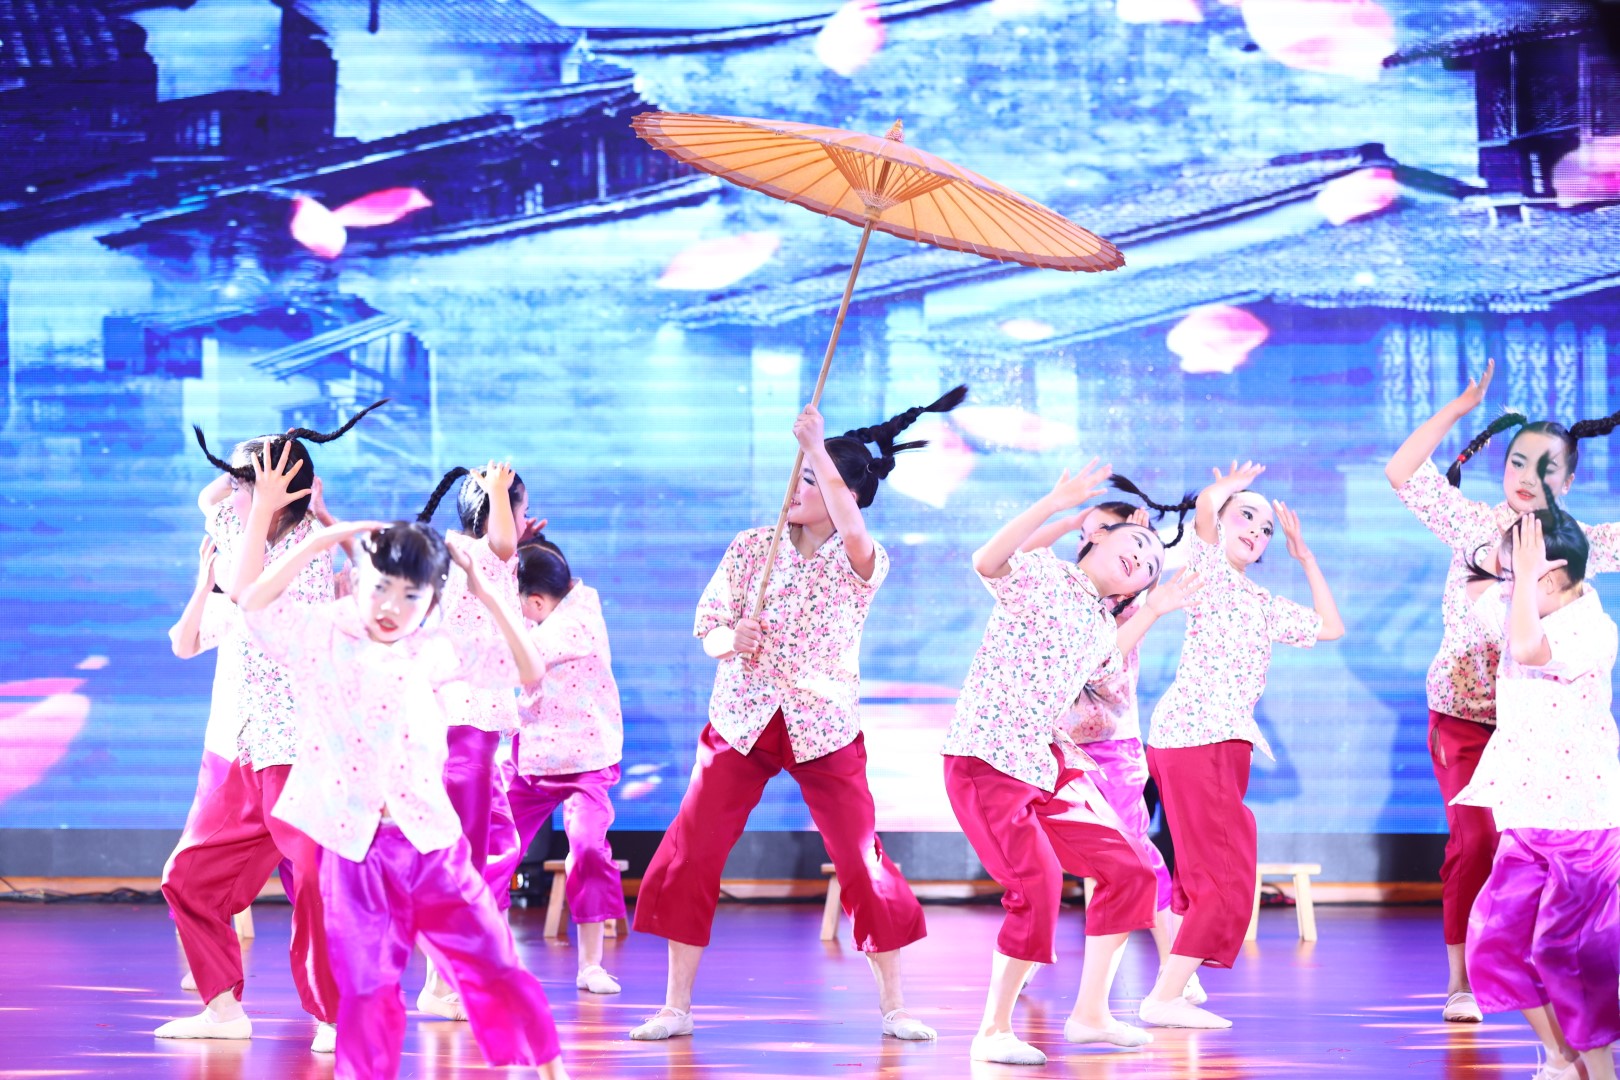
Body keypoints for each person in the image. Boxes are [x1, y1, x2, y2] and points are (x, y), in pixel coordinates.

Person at [630, 388, 967, 1044]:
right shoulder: (751, 547)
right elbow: (708, 629)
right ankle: (675, 1007)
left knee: (860, 858)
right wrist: (732, 640)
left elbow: (853, 530)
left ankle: (895, 1006)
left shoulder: (862, 557)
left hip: (825, 726)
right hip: (742, 720)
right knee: (693, 849)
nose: (796, 486)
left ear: (847, 494)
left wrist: (817, 446)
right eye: (798, 473)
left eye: (812, 479)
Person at [240, 519, 568, 1080]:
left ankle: (550, 1070)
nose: (392, 606)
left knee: (491, 962)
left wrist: (485, 591)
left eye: (412, 595)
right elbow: (252, 600)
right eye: (381, 588)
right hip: (353, 849)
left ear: (431, 601)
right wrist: (319, 542)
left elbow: (529, 668)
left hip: (429, 843)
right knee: (366, 988)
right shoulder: (320, 634)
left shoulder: (432, 647)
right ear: (357, 581)